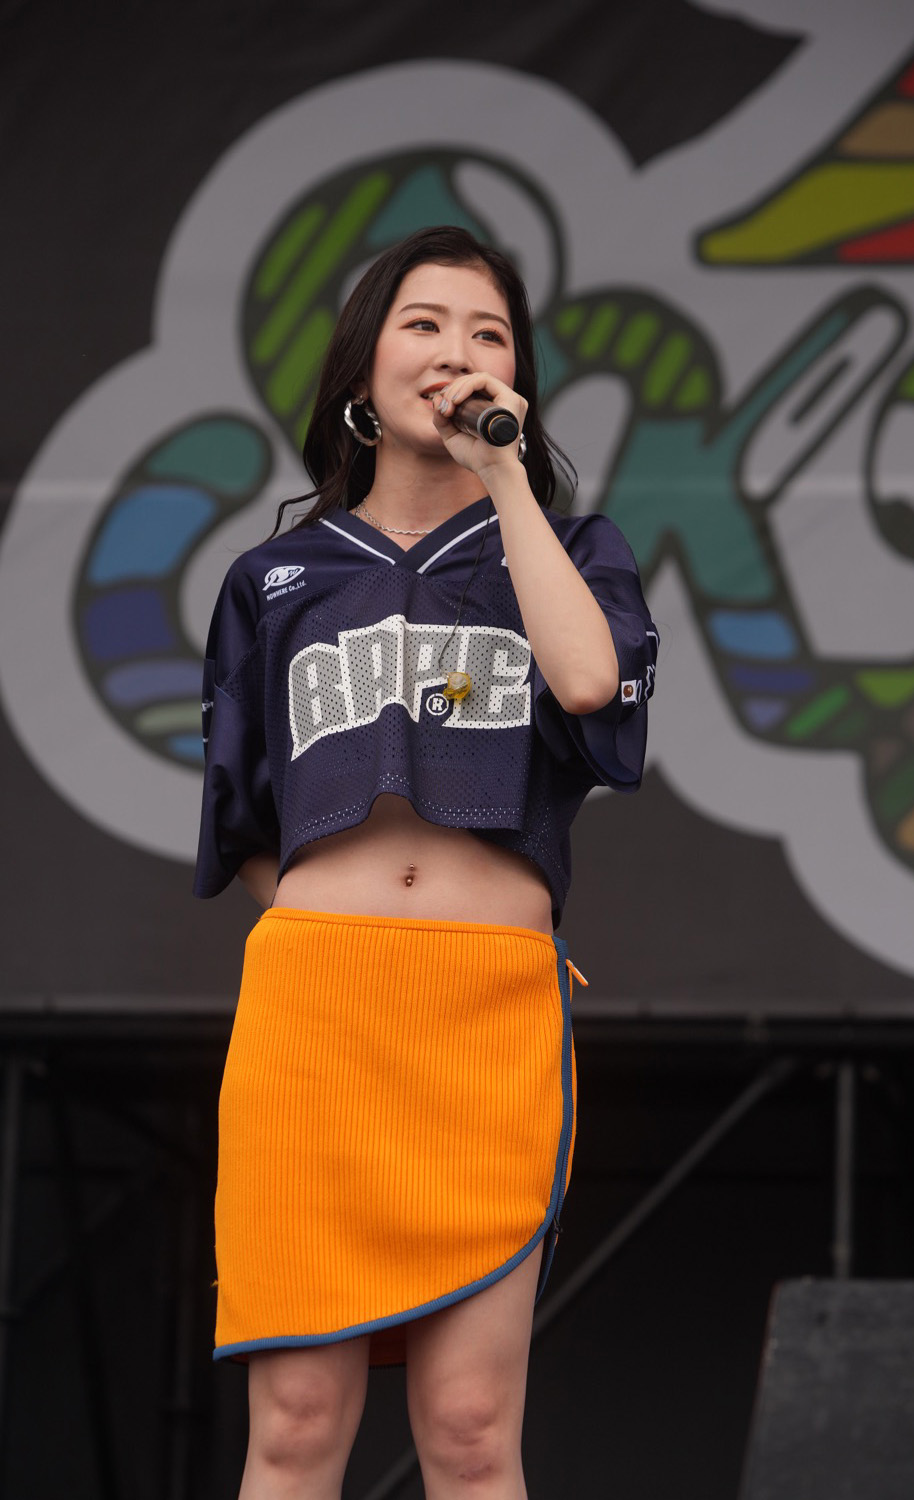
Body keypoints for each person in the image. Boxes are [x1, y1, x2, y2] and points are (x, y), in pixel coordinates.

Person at [194, 225, 657, 1500]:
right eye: (425, 324)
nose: (456, 351)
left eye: (487, 333)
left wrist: (505, 478)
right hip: (316, 1015)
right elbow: (242, 821)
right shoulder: (275, 579)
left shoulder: (571, 553)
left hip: (484, 1012)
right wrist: (334, 930)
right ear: (364, 366)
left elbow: (588, 684)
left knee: (467, 1429)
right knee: (295, 1425)